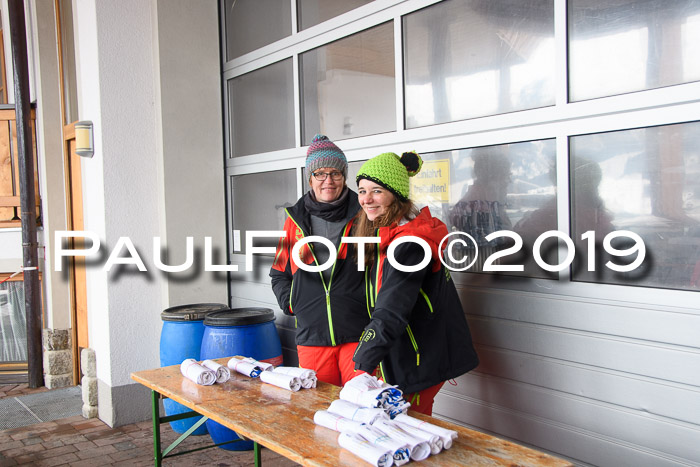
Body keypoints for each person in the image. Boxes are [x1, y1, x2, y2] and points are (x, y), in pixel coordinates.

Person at [351, 151, 479, 415]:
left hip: (417, 356)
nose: (366, 199)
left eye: (376, 191)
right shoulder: (393, 233)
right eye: (362, 191)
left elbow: (391, 310)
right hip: (411, 351)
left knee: (411, 436)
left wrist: (362, 363)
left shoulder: (409, 244)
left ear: (396, 194)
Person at [270, 134, 368, 387]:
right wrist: (293, 303)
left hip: (359, 332)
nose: (328, 181)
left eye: (335, 173)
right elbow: (279, 272)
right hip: (312, 335)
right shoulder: (294, 220)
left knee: (362, 407)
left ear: (344, 176)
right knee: (318, 409)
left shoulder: (364, 215)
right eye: (320, 174)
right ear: (310, 178)